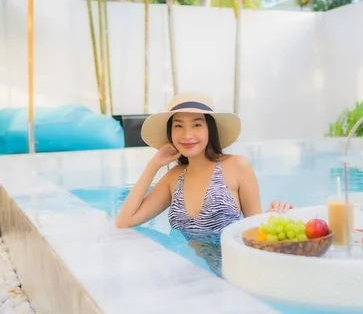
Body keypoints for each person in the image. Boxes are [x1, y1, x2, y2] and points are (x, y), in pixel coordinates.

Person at [115, 92, 293, 234]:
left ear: (210, 129)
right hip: (182, 270)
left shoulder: (237, 166)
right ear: (170, 132)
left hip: (225, 269)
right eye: (178, 126)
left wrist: (271, 217)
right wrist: (154, 164)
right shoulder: (174, 178)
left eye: (197, 125)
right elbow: (124, 222)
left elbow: (254, 230)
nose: (187, 135)